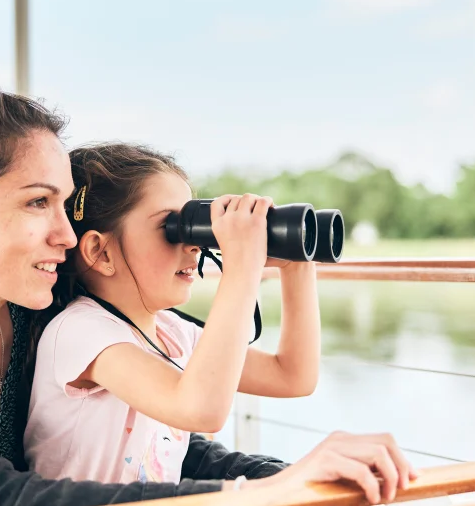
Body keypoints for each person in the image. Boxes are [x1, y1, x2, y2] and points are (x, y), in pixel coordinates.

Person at [0, 87, 416, 506]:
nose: (67, 237)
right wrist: (249, 499)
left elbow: (166, 449)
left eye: (65, 205)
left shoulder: (38, 305)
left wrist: (293, 484)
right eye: (37, 202)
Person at [24, 143, 321, 486]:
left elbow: (293, 376)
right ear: (100, 252)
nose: (194, 245)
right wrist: (242, 269)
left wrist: (297, 265)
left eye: (192, 226)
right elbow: (199, 409)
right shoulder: (79, 331)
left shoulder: (170, 332)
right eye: (171, 227)